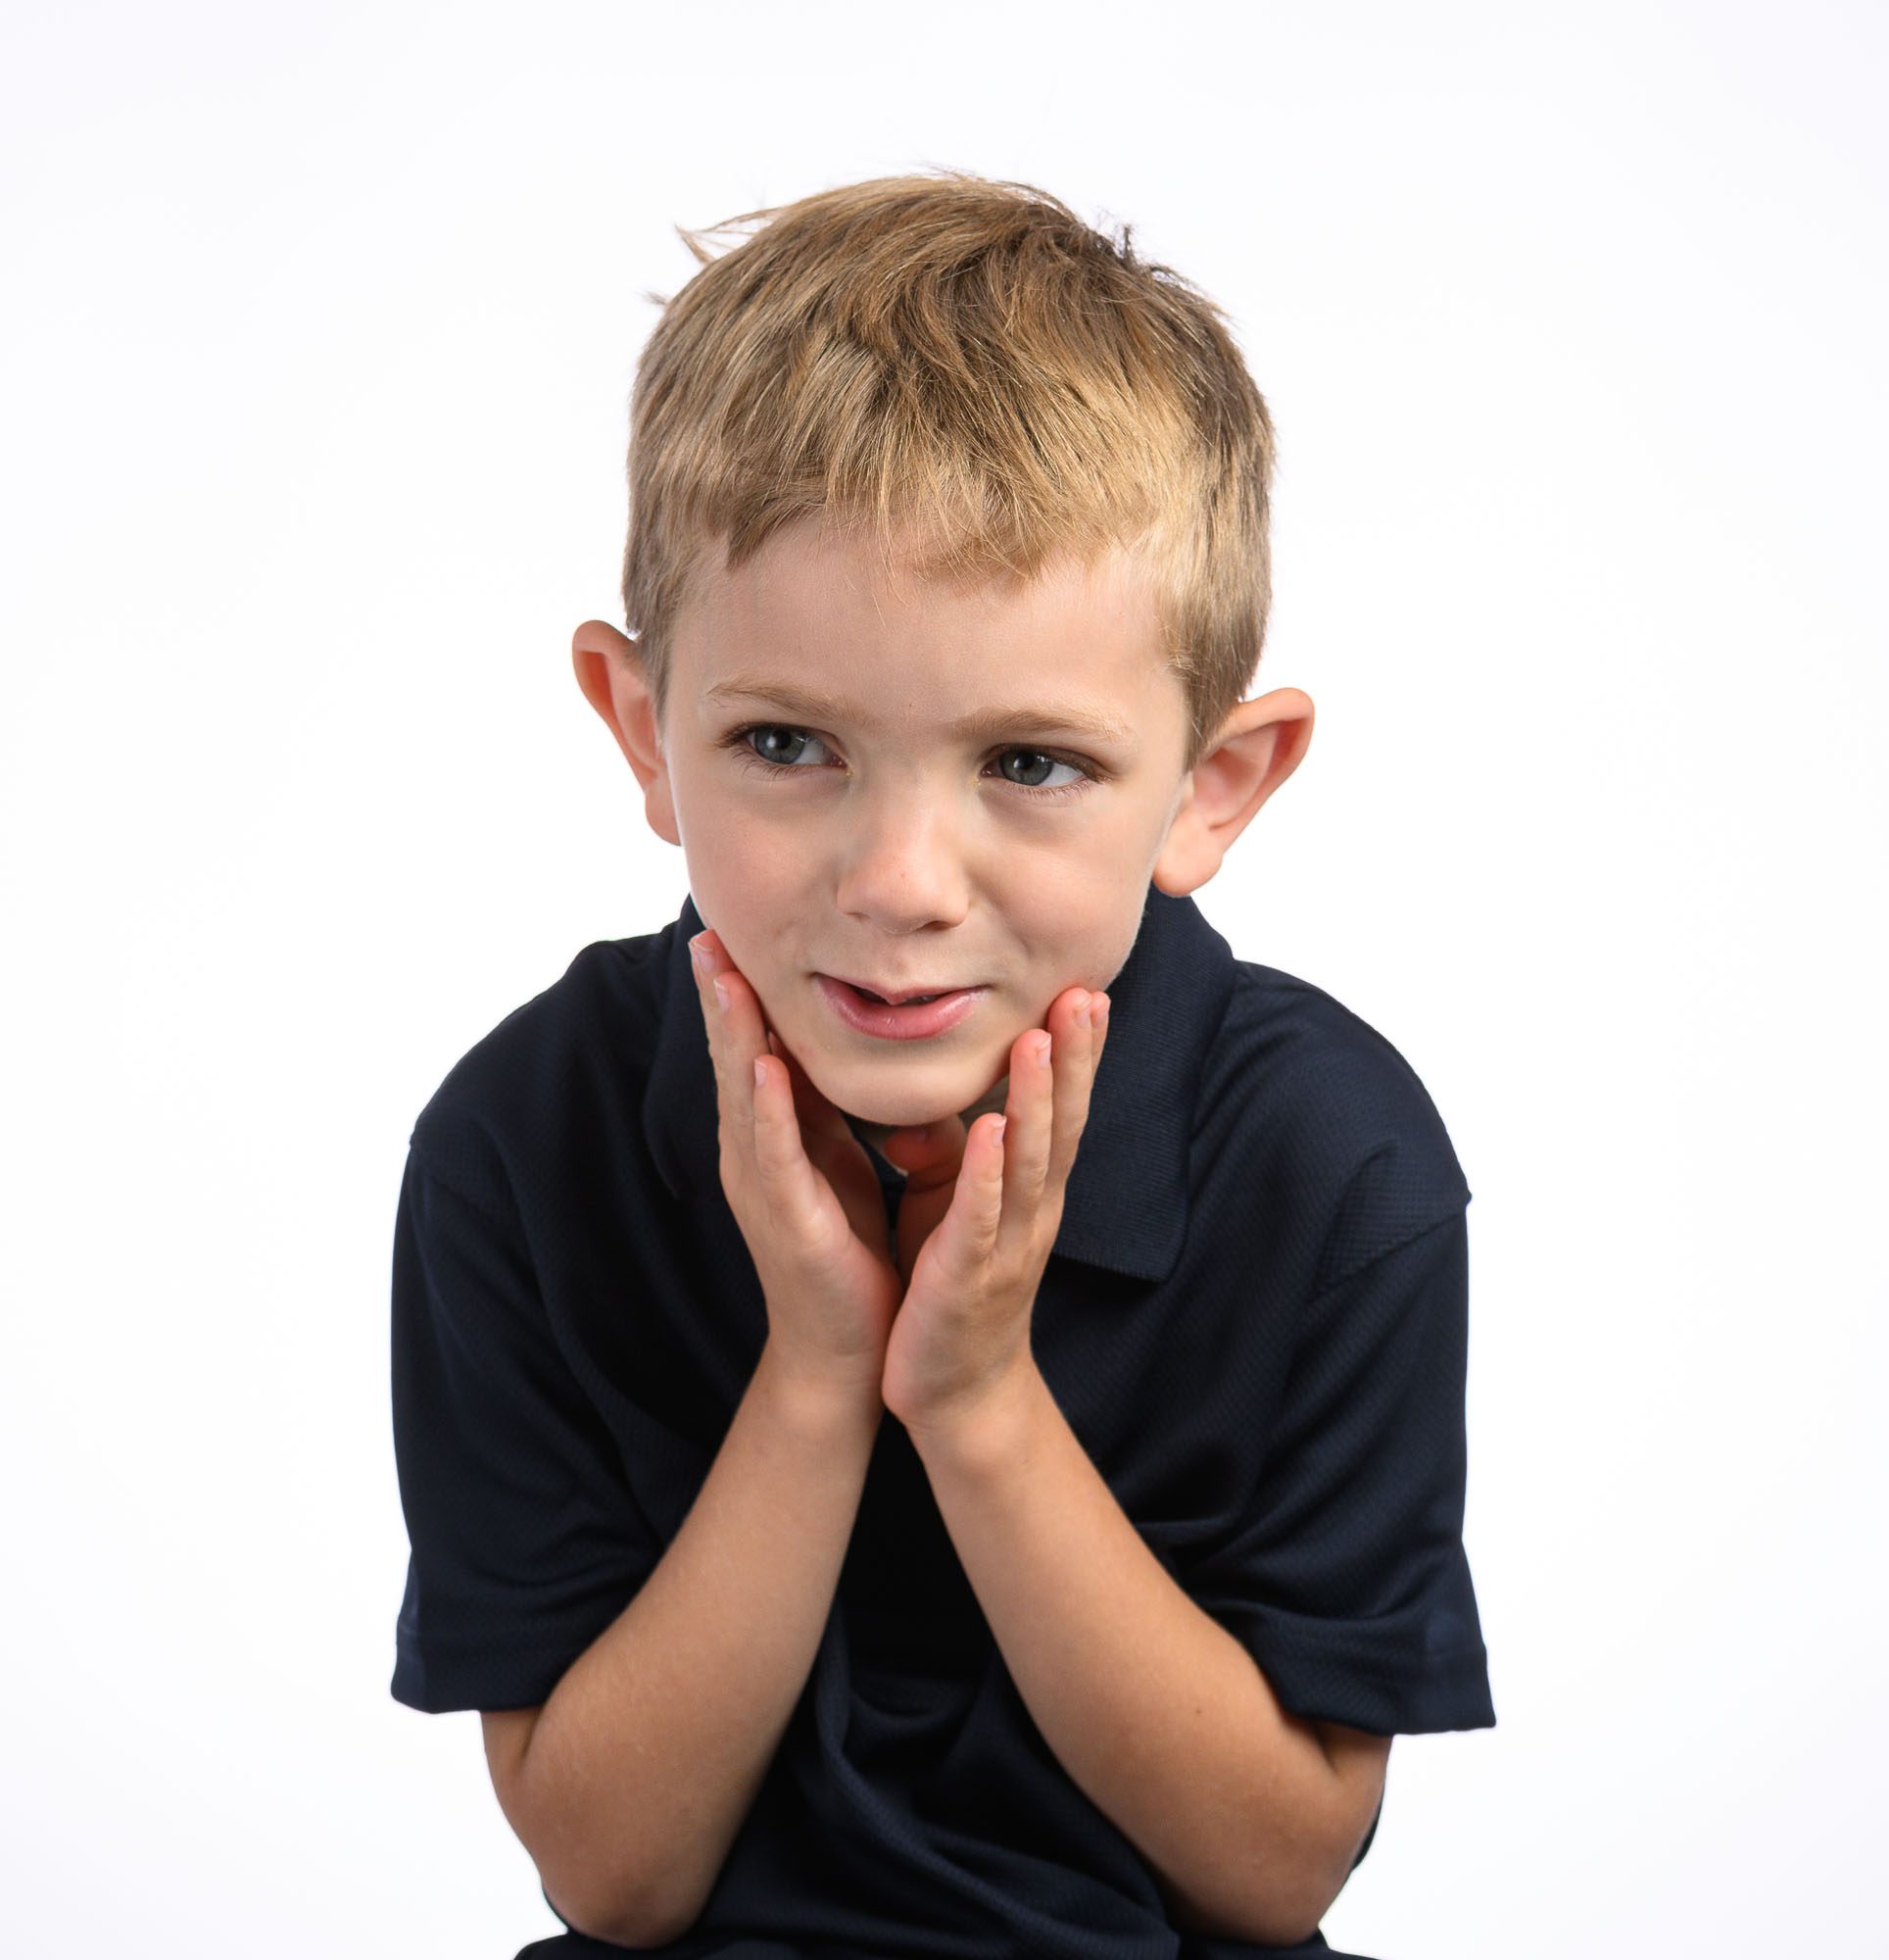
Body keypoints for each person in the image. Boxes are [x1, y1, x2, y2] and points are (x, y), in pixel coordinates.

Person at [388, 170, 1495, 1960]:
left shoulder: (1331, 1160)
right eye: (785, 743)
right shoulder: (526, 1139)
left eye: (1031, 764)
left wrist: (976, 1400)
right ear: (643, 730)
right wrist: (819, 1369)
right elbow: (612, 1875)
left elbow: (1274, 1873)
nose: (900, 884)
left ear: (1212, 788)